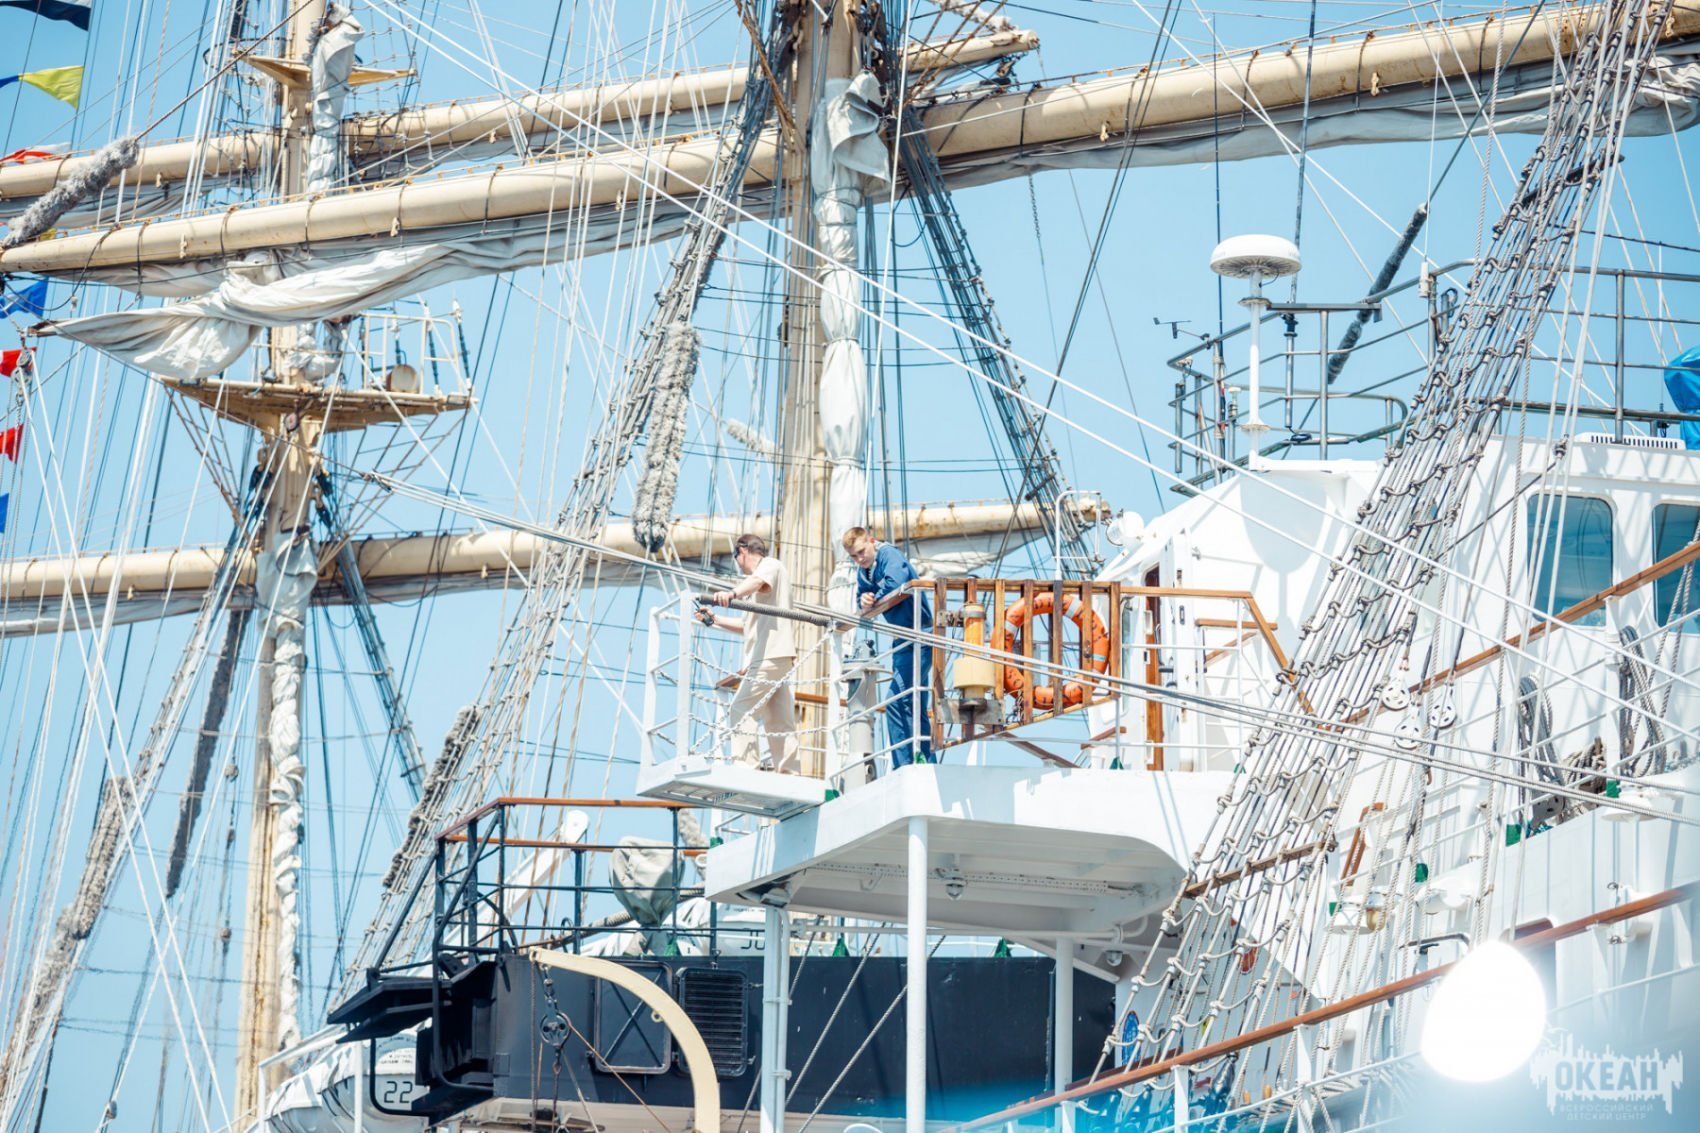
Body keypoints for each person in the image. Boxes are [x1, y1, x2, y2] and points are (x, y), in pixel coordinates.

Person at [703, 534, 800, 772]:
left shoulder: (770, 565)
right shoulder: (757, 586)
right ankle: (789, 774)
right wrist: (715, 620)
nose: (737, 563)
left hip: (769, 654)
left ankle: (747, 768)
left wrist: (732, 594)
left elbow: (757, 581)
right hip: (776, 656)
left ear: (743, 550)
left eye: (736, 556)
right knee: (778, 721)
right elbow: (746, 626)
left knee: (740, 710)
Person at [844, 527, 933, 767]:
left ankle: (906, 764)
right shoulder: (864, 571)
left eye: (861, 552)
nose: (859, 559)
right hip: (902, 639)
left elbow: (896, 581)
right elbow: (862, 595)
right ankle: (923, 760)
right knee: (913, 701)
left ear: (872, 541)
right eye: (854, 556)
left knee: (898, 700)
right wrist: (864, 600)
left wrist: (873, 599)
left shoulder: (888, 555)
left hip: (919, 635)